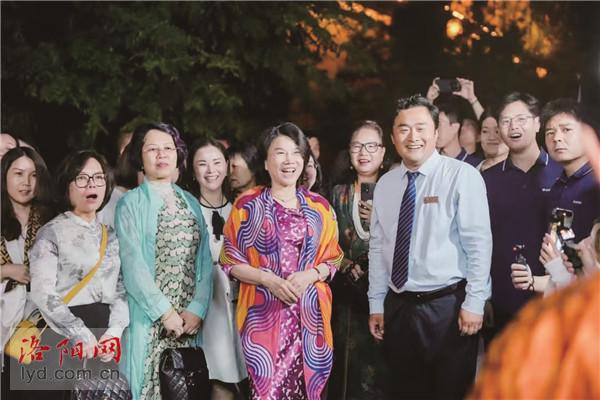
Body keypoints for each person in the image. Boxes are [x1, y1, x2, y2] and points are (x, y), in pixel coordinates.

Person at [368, 95, 492, 399]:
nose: (413, 137)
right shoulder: (386, 184)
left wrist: (475, 302)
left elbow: (478, 242)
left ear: (436, 133)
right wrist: (376, 304)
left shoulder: (462, 176)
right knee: (403, 391)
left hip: (447, 308)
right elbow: (378, 248)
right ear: (393, 136)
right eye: (404, 129)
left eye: (421, 128)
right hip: (398, 308)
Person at [220, 122, 343, 400]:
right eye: (280, 153)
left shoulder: (320, 207)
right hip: (263, 318)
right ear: (265, 161)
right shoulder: (247, 205)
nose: (289, 161)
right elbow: (229, 257)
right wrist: (268, 279)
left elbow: (334, 258)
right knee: (267, 392)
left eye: (296, 153)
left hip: (311, 322)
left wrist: (309, 276)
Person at [115, 123, 212, 400]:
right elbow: (133, 265)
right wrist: (164, 312)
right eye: (153, 149)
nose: (162, 155)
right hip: (150, 318)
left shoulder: (191, 203)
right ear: (139, 157)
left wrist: (197, 309)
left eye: (168, 148)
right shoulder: (130, 204)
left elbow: (204, 261)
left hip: (187, 323)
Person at [28, 150, 129, 394]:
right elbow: (42, 292)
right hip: (62, 336)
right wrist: (79, 332)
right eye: (82, 178)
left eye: (98, 178)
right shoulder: (51, 233)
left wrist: (114, 332)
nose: (91, 185)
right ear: (67, 185)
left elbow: (121, 289)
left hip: (103, 337)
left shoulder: (111, 235)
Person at [482, 92, 562, 338]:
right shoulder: (487, 180)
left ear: (538, 123)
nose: (513, 127)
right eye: (505, 121)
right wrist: (481, 297)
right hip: (502, 301)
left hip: (553, 299)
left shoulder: (561, 174)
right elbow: (478, 241)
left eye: (521, 119)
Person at [510, 99, 600, 294]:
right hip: (560, 292)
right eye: (550, 132)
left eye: (566, 130)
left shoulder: (596, 185)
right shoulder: (556, 187)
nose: (557, 138)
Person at [328, 120, 387, 400]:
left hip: (384, 296)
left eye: (371, 146)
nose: (364, 152)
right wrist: (344, 264)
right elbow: (325, 243)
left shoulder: (395, 191)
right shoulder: (336, 193)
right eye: (357, 146)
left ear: (383, 152)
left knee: (379, 372)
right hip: (345, 298)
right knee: (345, 369)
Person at [188, 138, 247, 399]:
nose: (210, 170)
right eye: (202, 164)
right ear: (192, 170)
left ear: (227, 166)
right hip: (205, 312)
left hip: (242, 310)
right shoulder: (187, 211)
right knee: (218, 380)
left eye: (216, 162)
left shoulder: (242, 210)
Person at [1, 146, 54, 397]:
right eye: (18, 174)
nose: (26, 182)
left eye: (33, 175)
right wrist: (7, 270)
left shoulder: (50, 218)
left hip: (38, 325)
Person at [434, 98, 483, 167]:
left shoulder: (476, 165)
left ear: (455, 127)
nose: (435, 130)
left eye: (439, 124)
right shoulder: (430, 162)